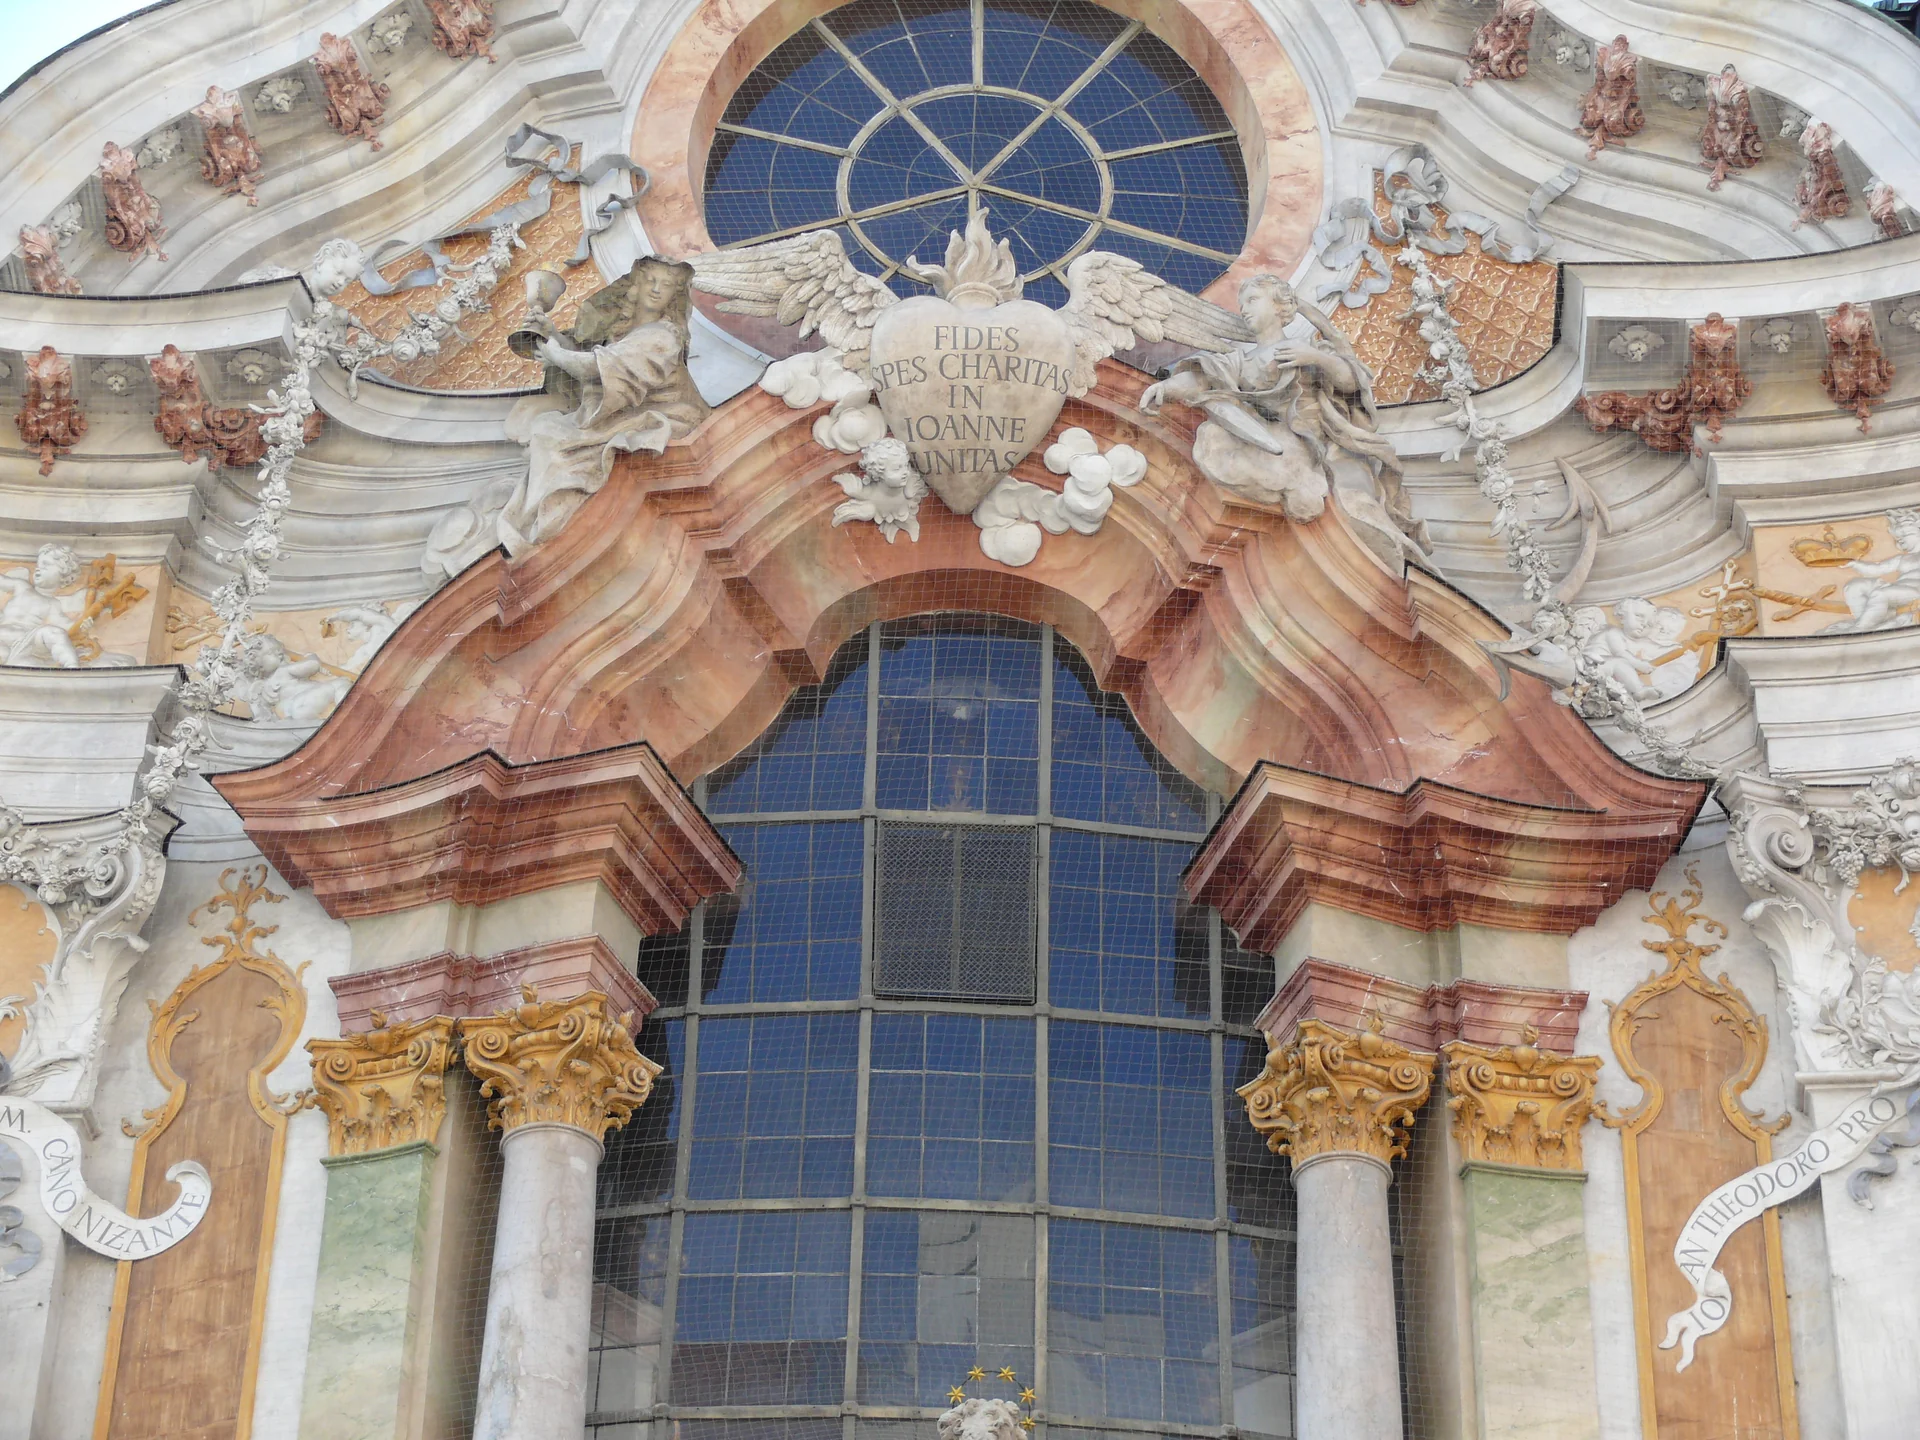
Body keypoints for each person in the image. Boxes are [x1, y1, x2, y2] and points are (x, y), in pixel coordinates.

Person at [1140, 275, 1427, 555]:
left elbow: (1350, 382)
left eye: (1252, 300)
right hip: (1277, 441)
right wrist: (1167, 387)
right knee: (1215, 436)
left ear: (1279, 306)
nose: (1244, 310)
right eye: (1242, 304)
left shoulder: (1307, 349)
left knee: (1357, 508)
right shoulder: (1242, 361)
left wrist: (1316, 358)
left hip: (1321, 448)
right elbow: (1204, 377)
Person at [499, 256, 711, 551]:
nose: (655, 289)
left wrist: (555, 355)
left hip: (664, 416)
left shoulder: (663, 335)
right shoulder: (625, 333)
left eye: (665, 285)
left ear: (673, 295)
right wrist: (552, 335)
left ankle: (535, 525)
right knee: (547, 428)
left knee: (551, 435)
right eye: (651, 281)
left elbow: (597, 368)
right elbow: (599, 365)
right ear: (637, 285)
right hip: (626, 415)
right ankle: (532, 520)